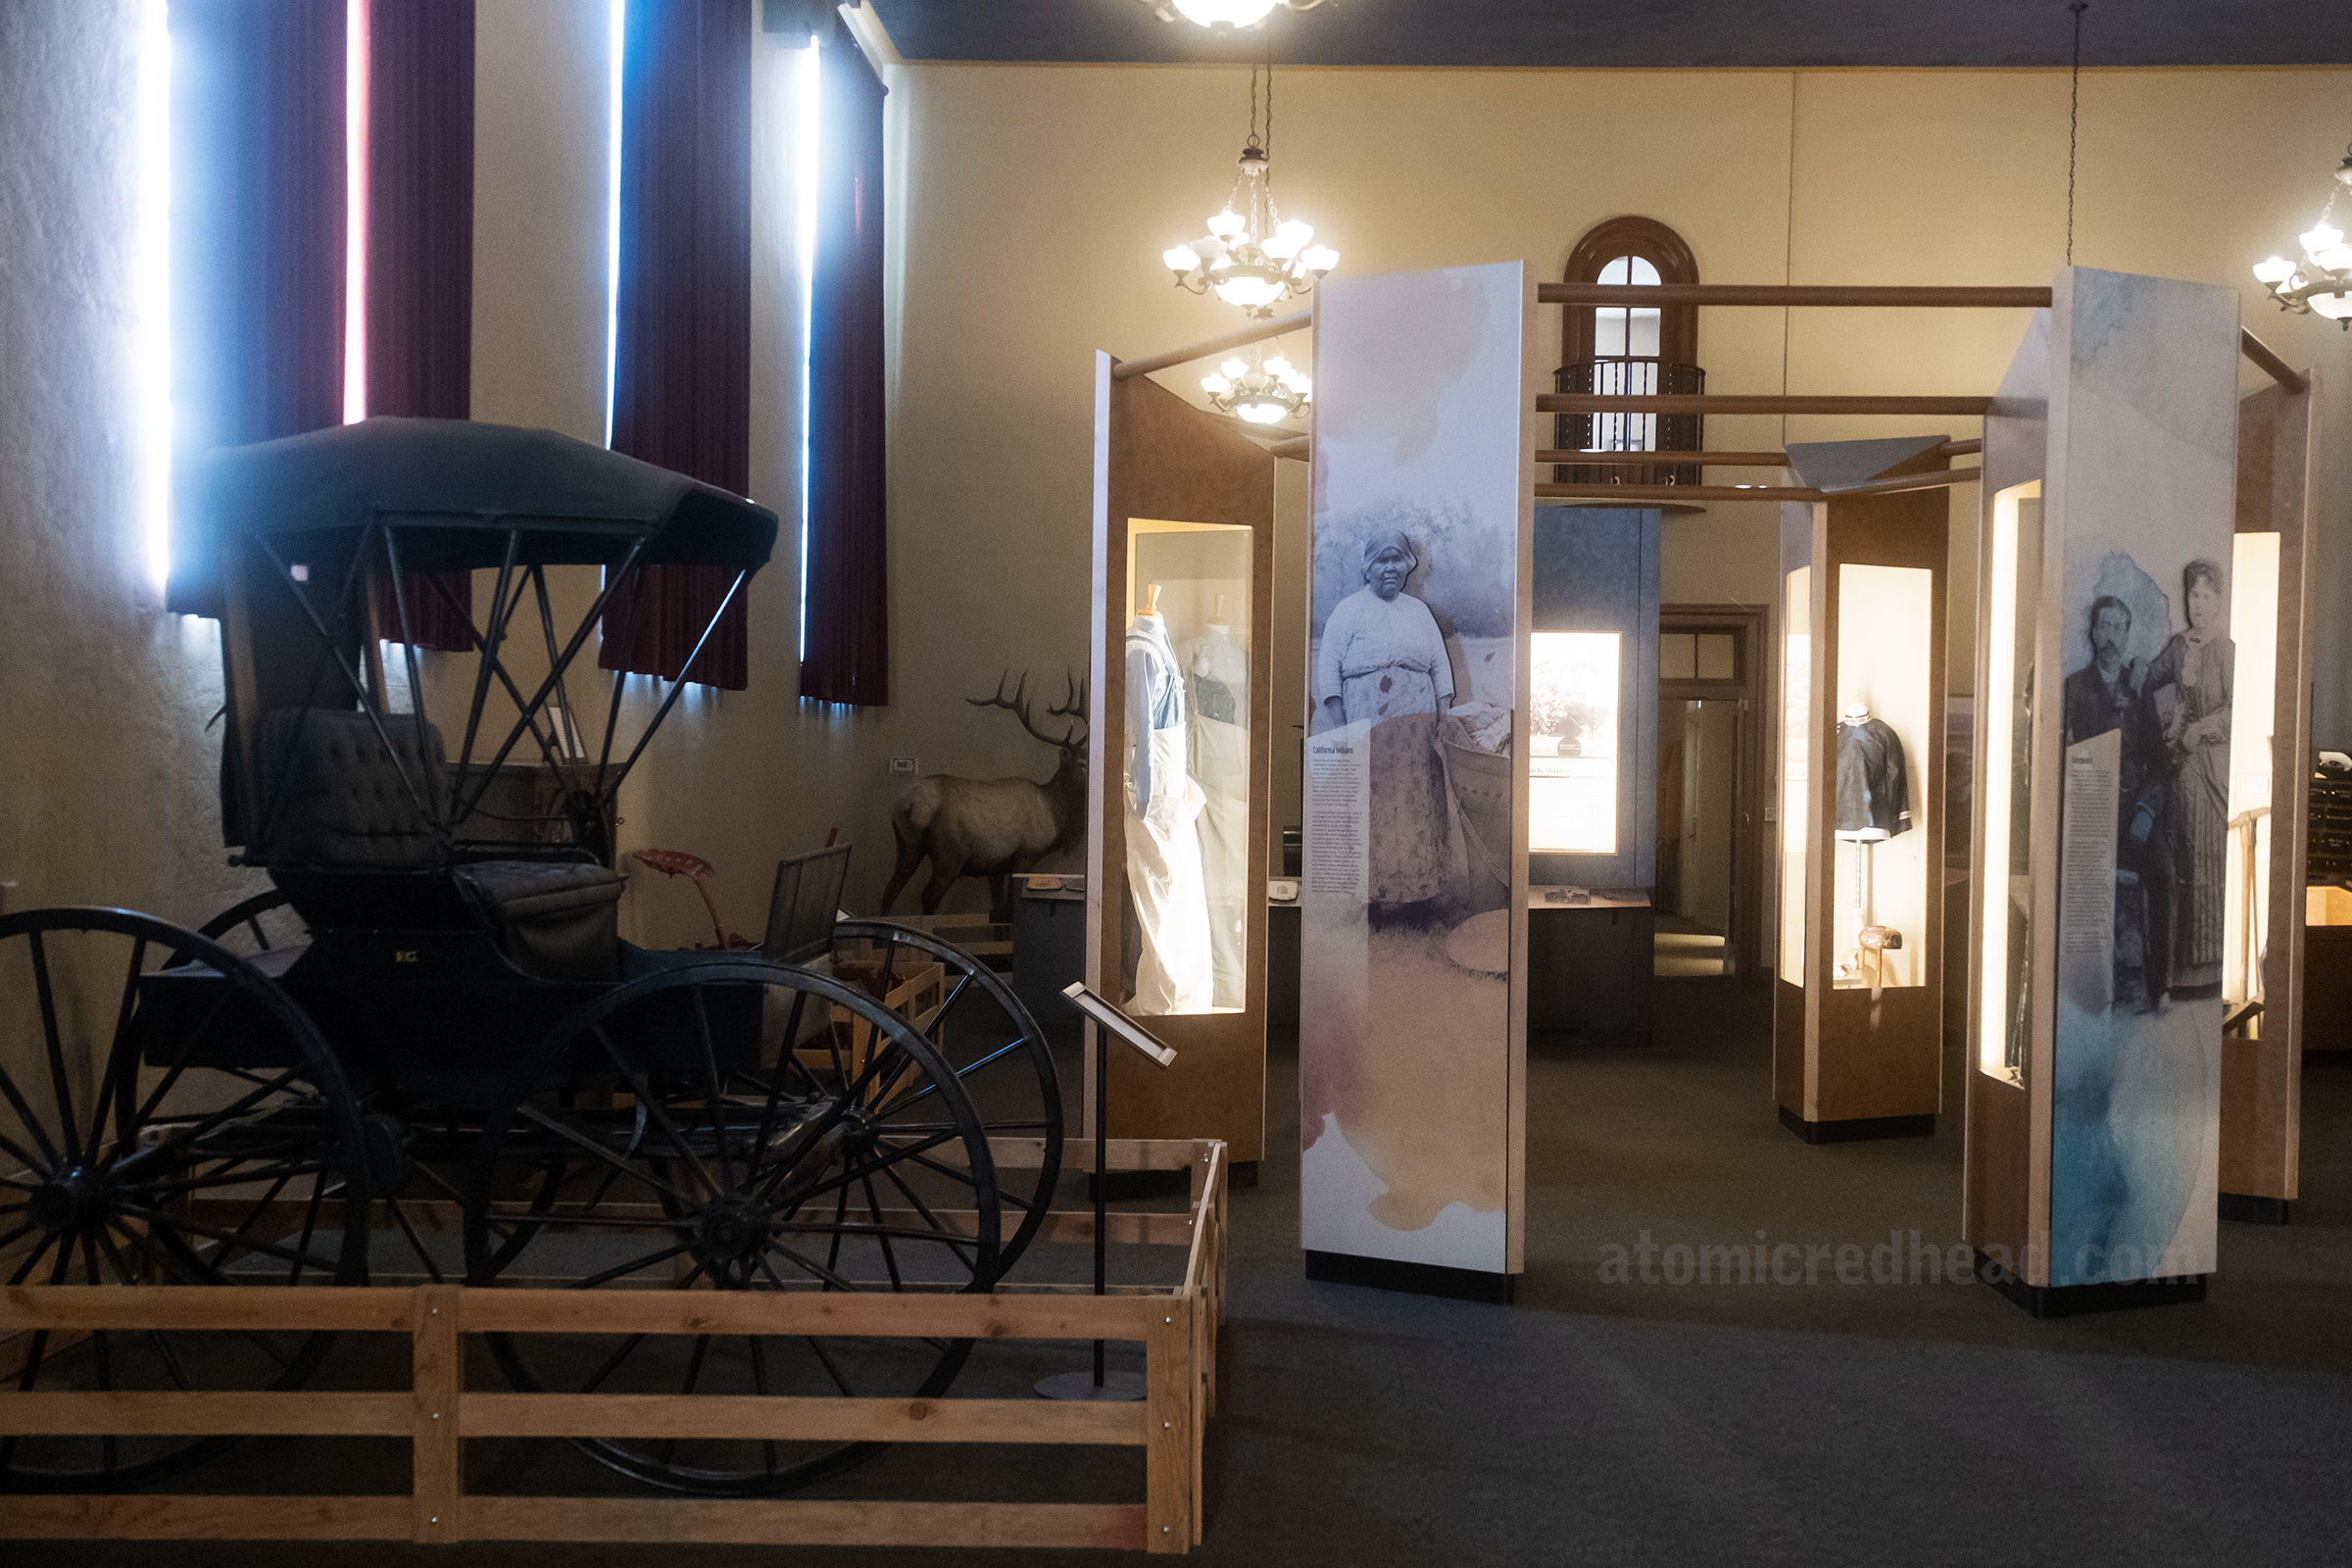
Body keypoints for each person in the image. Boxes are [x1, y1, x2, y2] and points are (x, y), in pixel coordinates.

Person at [1312, 532, 1453, 907]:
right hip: (1365, 727)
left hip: (1417, 734)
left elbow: (1440, 667)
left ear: (1407, 566)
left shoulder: (1418, 612)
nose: (1389, 568)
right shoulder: (1348, 610)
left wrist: (1444, 717)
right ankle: (1371, 898)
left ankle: (1418, 895)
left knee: (1414, 805)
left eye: (1397, 561)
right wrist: (1342, 725)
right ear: (1367, 567)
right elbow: (1328, 668)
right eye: (1381, 561)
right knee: (1369, 807)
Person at [2061, 594, 2172, 1009]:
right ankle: (2088, 989)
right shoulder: (2074, 688)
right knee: (2081, 880)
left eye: (2118, 628)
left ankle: (2158, 986)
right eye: (2103, 626)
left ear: (2127, 635)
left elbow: (2161, 762)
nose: (2110, 637)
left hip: (2135, 813)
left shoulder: (2139, 689)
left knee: (2162, 874)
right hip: (2089, 812)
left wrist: (2146, 810)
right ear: (2092, 631)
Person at [2145, 559, 2233, 998]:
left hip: (2214, 768)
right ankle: (2180, 970)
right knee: (2181, 858)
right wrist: (2168, 721)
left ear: (2219, 601)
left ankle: (2211, 966)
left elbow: (2238, 711)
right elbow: (2149, 681)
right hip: (2181, 766)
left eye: (2204, 595)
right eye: (2191, 595)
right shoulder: (2179, 647)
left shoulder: (2228, 651)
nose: (2196, 604)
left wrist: (2202, 728)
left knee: (2209, 860)